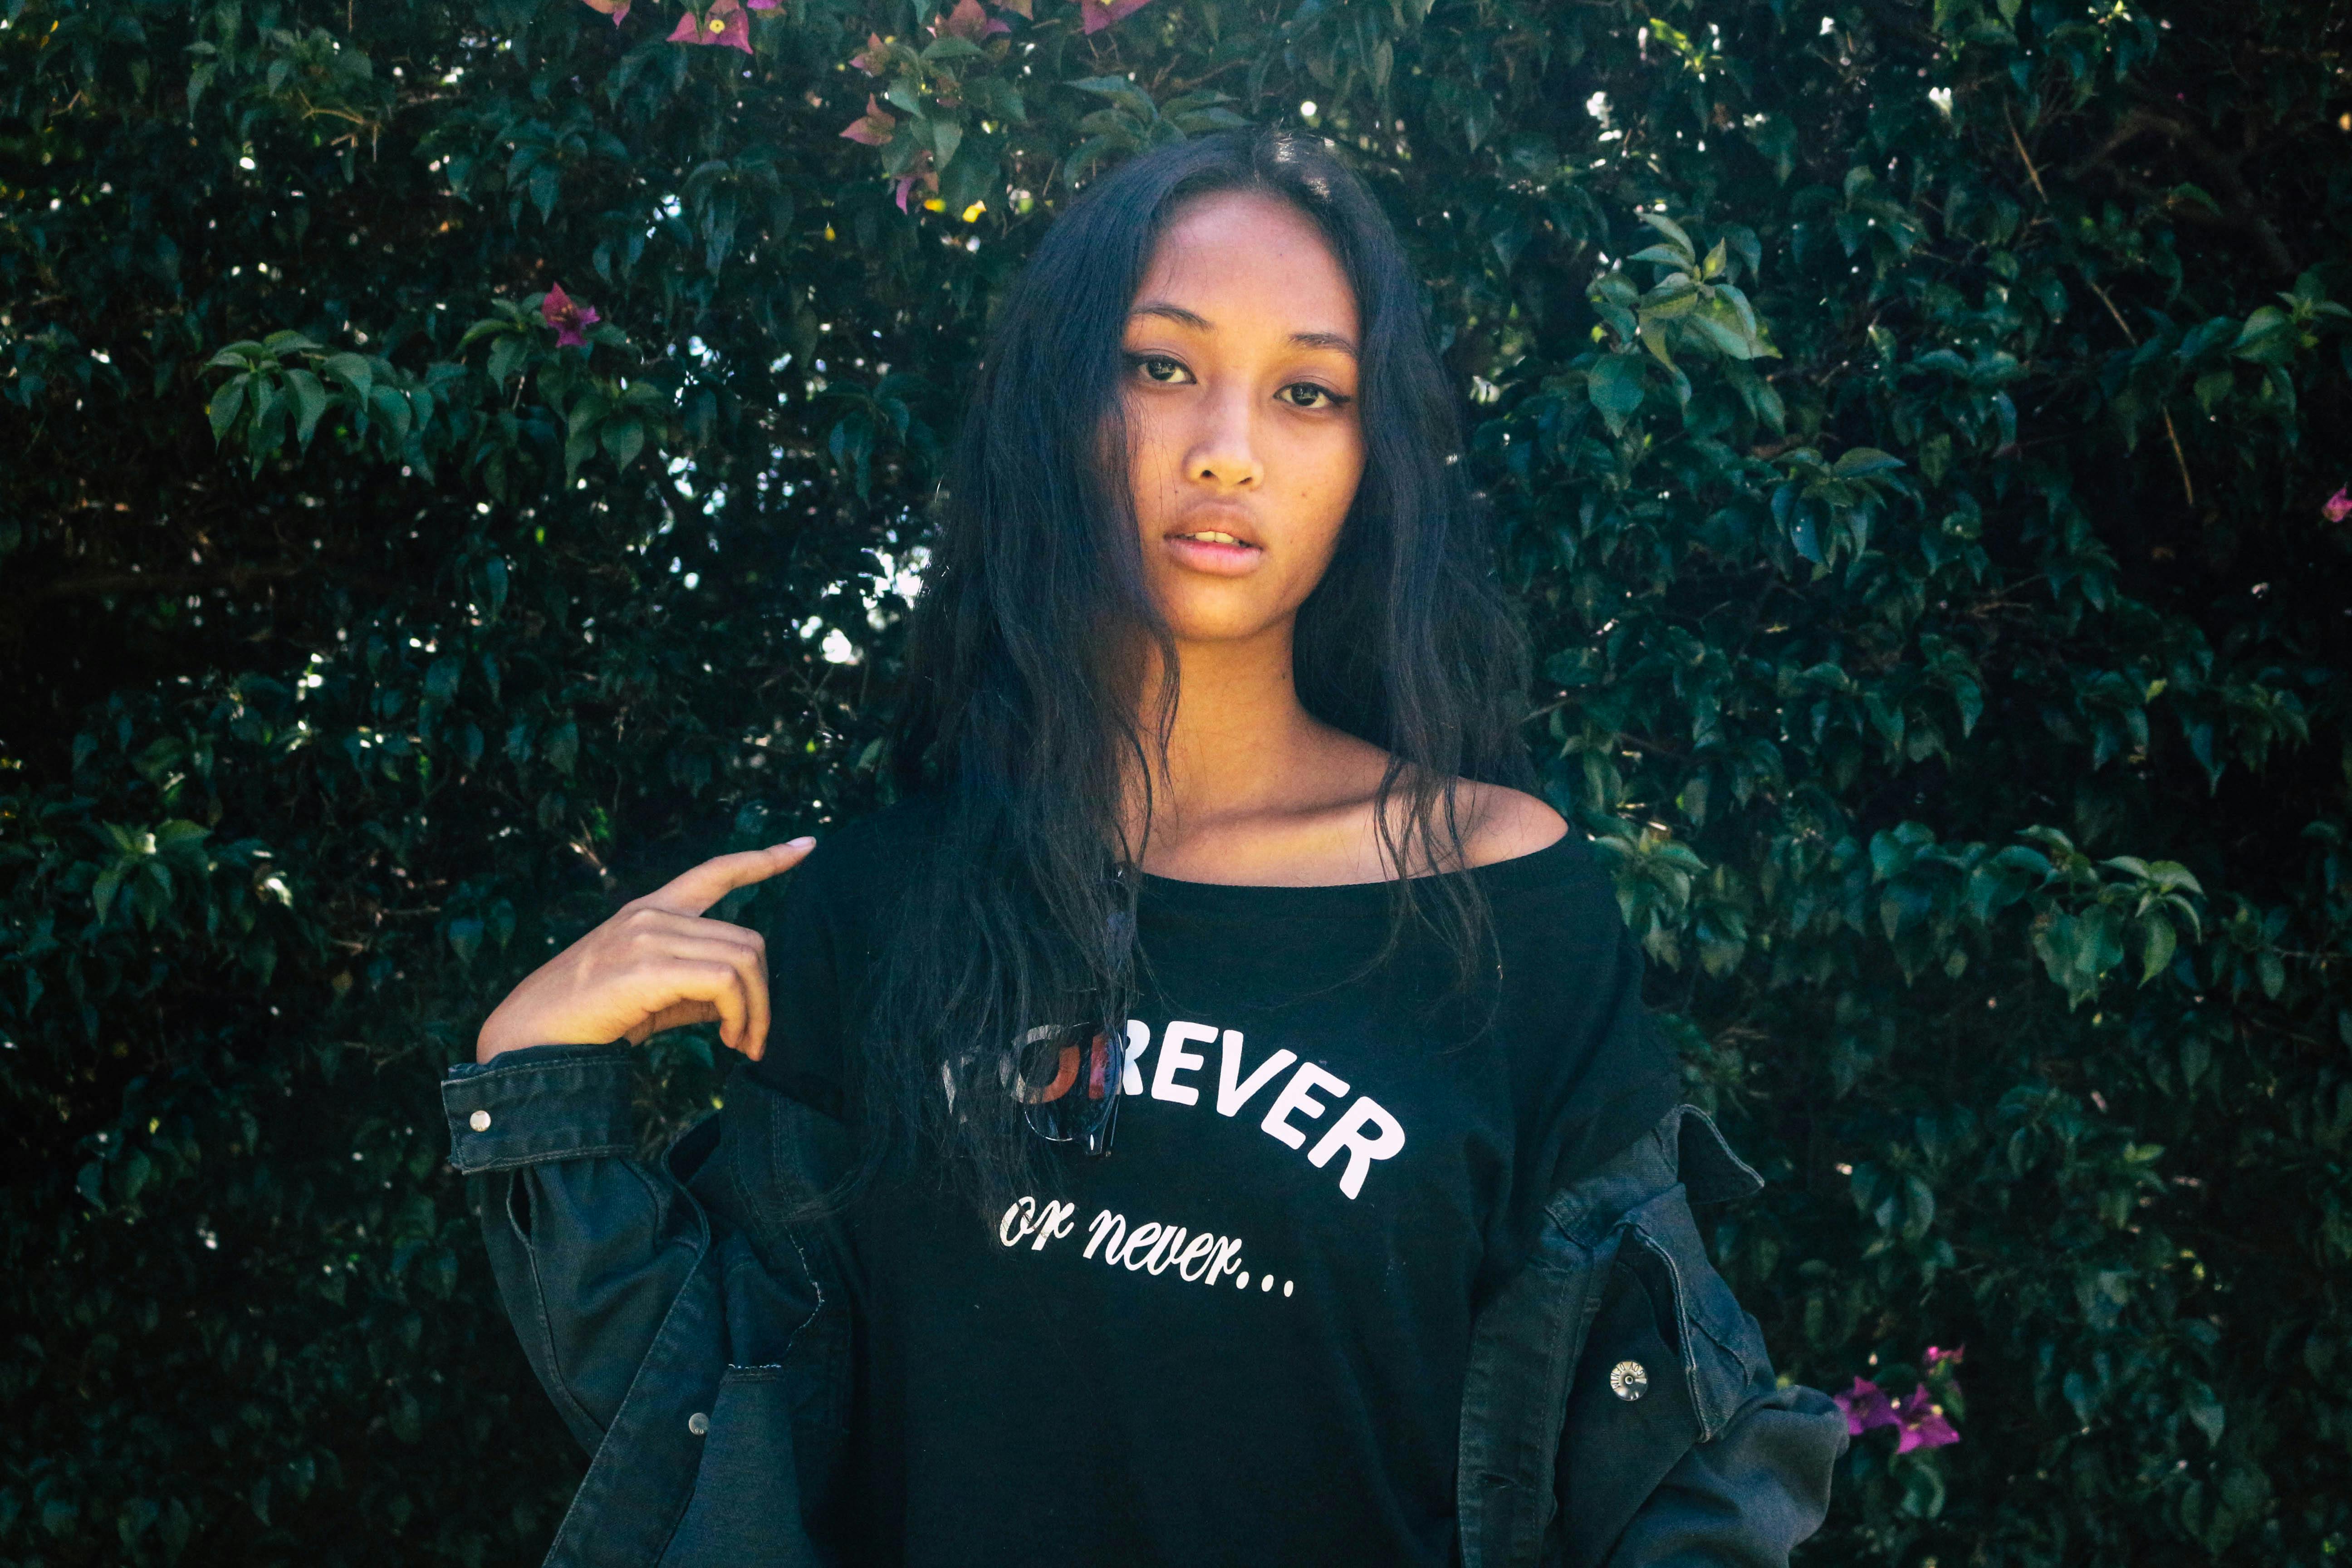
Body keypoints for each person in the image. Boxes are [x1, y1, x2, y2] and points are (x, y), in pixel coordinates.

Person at [445, 128, 1844, 1568]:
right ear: (1062, 405)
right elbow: (726, 1446)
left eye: (1309, 392)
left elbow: (1668, 1460)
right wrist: (532, 1087)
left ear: (1374, 459)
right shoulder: (876, 910)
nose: (1228, 449)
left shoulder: (1495, 898)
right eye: (1161, 366)